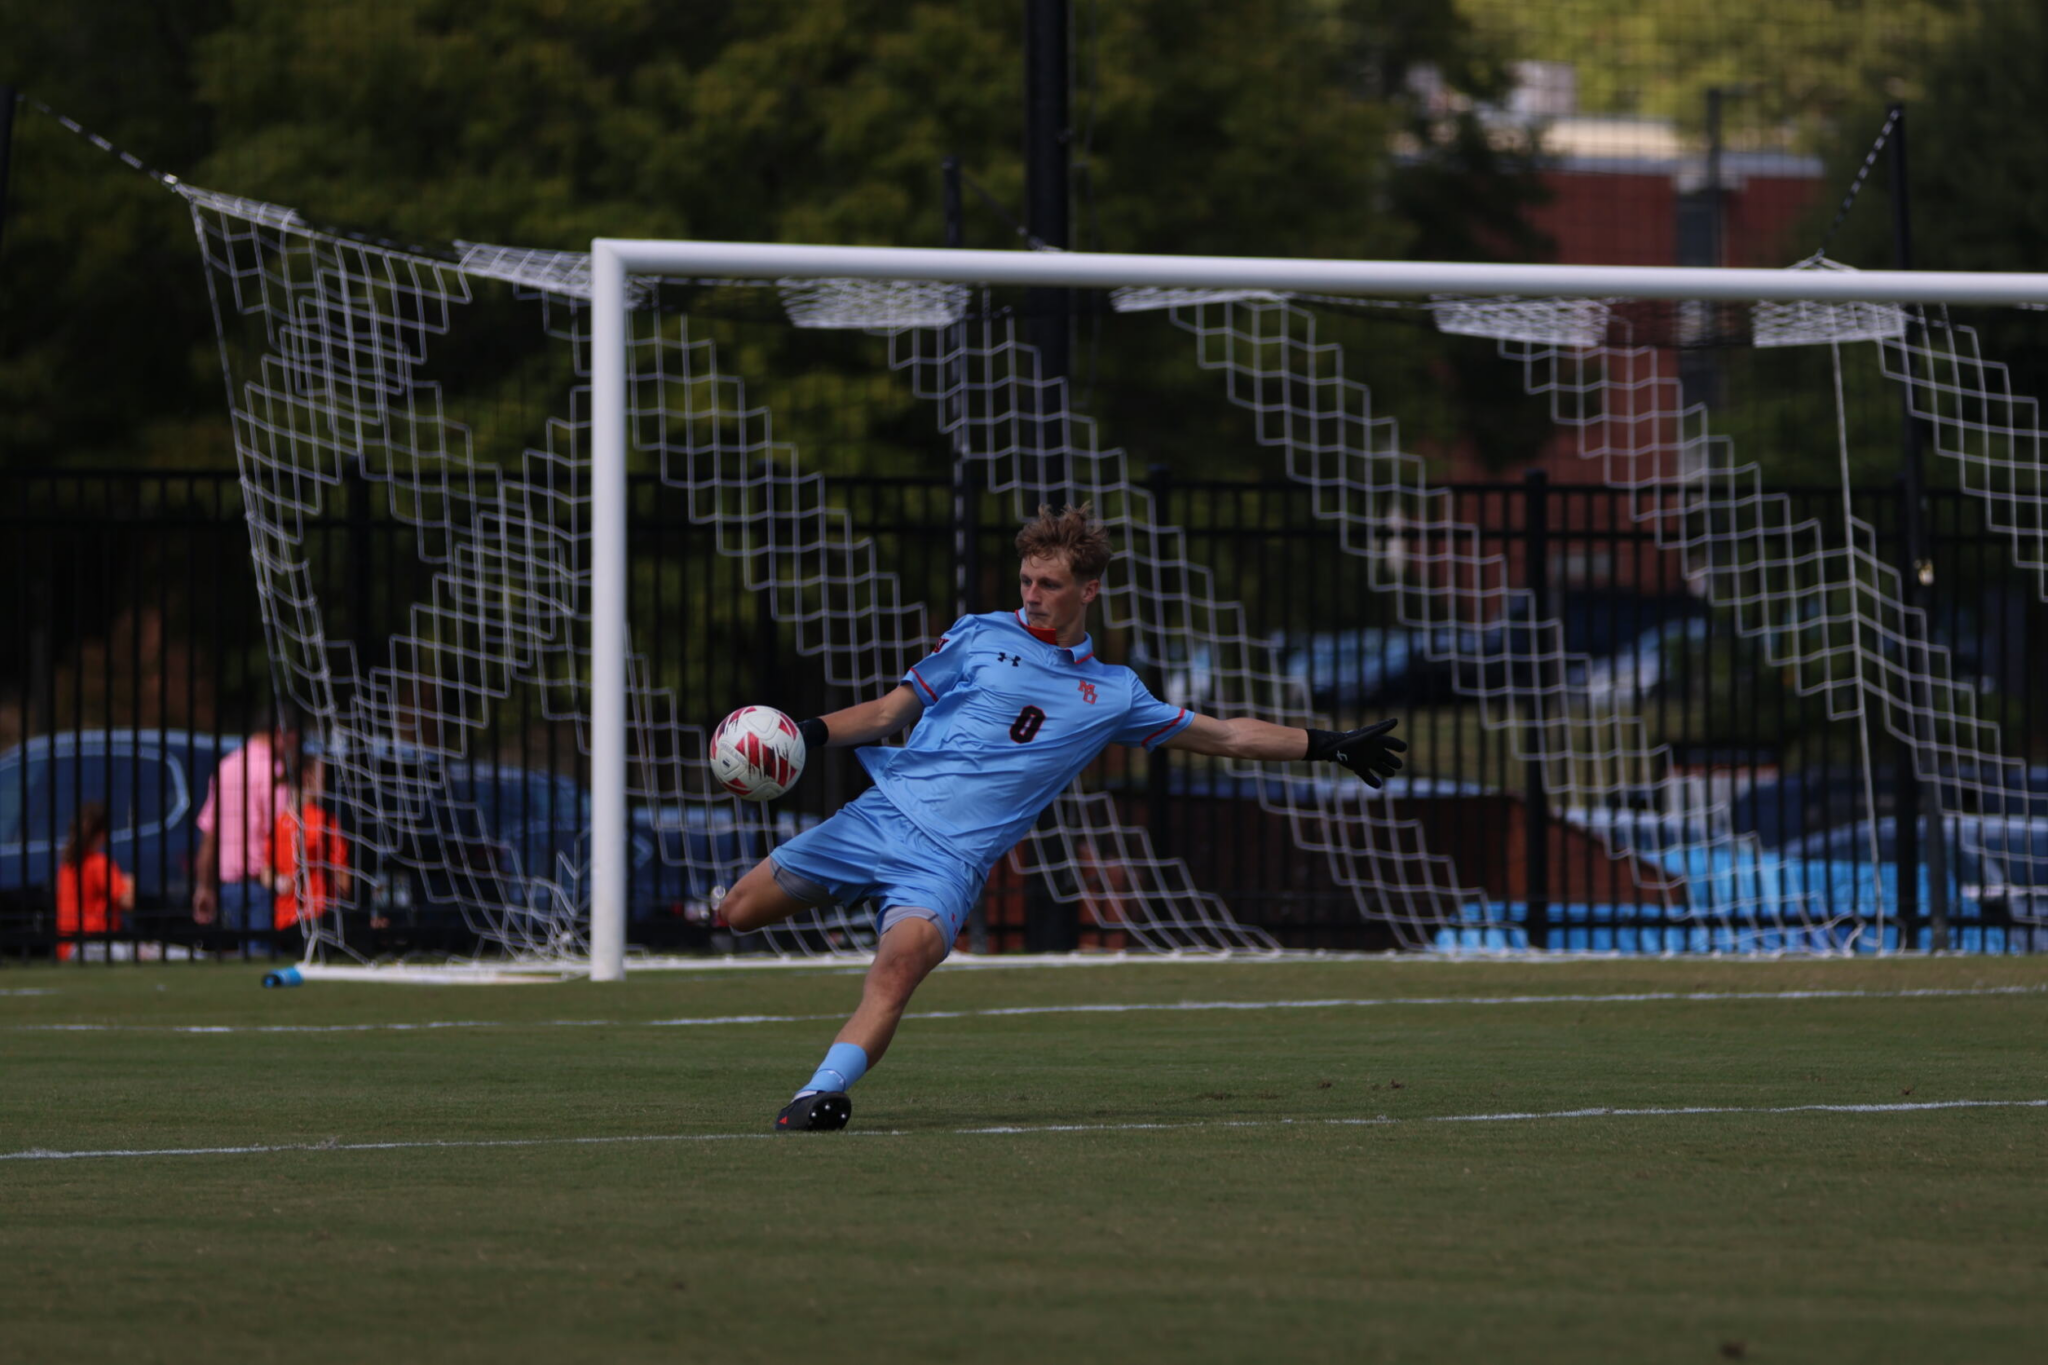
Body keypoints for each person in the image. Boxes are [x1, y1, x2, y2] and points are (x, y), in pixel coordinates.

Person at [718, 504, 1406, 1133]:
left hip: (946, 864)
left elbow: (1226, 735)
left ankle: (820, 1095)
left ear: (1088, 589)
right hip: (877, 817)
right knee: (741, 911)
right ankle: (832, 906)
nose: (1032, 596)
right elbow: (887, 714)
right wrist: (805, 732)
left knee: (897, 969)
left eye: (1048, 584)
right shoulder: (978, 636)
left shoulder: (1114, 694)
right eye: (1026, 581)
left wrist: (1327, 743)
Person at [192, 710, 298, 937]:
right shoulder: (274, 772)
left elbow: (209, 833)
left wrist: (204, 886)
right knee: (265, 957)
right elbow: (283, 827)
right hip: (266, 882)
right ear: (281, 733)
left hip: (228, 886)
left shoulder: (227, 766)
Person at [267, 754, 350, 933]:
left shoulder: (280, 822)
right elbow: (344, 880)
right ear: (307, 777)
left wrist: (277, 881)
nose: (326, 784)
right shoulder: (325, 822)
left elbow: (266, 871)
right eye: (323, 778)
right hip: (318, 916)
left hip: (284, 920)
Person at [55, 801, 134, 962]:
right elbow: (127, 902)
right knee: (147, 952)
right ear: (102, 834)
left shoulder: (67, 864)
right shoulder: (99, 863)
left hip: (67, 946)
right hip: (91, 943)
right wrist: (130, 881)